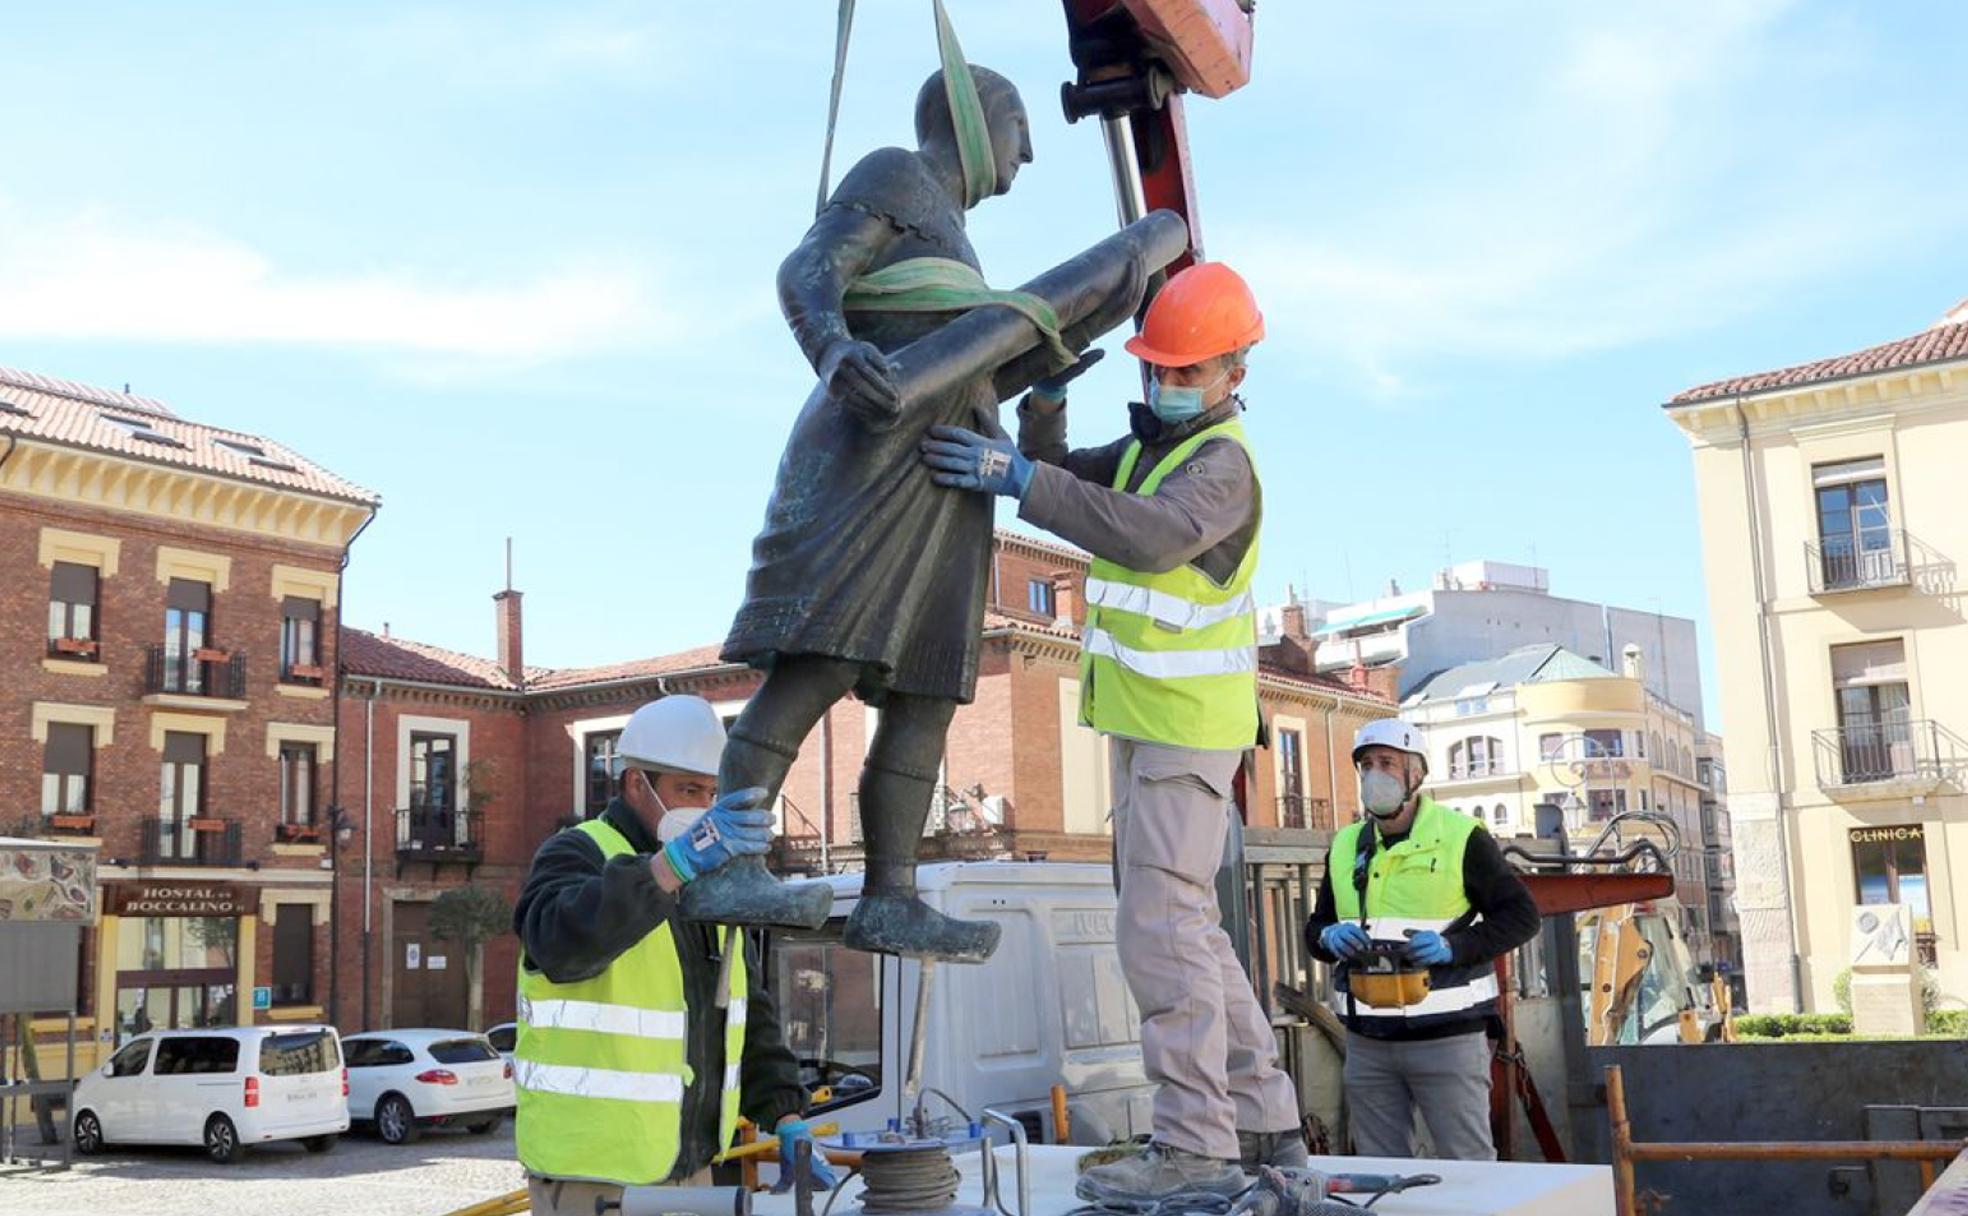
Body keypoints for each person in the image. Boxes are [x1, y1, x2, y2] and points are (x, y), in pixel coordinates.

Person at [920, 262, 1303, 1200]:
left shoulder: (1221, 469)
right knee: (1192, 935)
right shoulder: (1156, 451)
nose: (1166, 386)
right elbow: (1066, 478)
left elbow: (1139, 534)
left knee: (1158, 936)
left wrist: (1016, 476)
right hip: (1148, 731)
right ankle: (1264, 1125)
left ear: (1233, 374)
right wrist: (1042, 409)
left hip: (1183, 734)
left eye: (1185, 373)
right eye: (1157, 370)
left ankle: (1195, 1148)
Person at [511, 696, 835, 1216]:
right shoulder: (578, 852)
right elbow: (560, 947)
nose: (704, 807)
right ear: (637, 783)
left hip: (690, 1169)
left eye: (712, 793)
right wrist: (670, 867)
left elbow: (744, 1012)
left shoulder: (707, 881)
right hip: (593, 1177)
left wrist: (786, 1115)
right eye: (688, 789)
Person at [1304, 720, 1542, 1161]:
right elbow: (1315, 930)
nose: (1376, 774)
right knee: (1382, 1176)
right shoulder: (1344, 846)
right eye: (1367, 765)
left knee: (1469, 1169)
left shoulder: (1462, 837)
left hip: (1447, 1039)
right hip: (1368, 1041)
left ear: (1417, 773)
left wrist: (1454, 948)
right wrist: (1328, 936)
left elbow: (1522, 917)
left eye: (1388, 763)